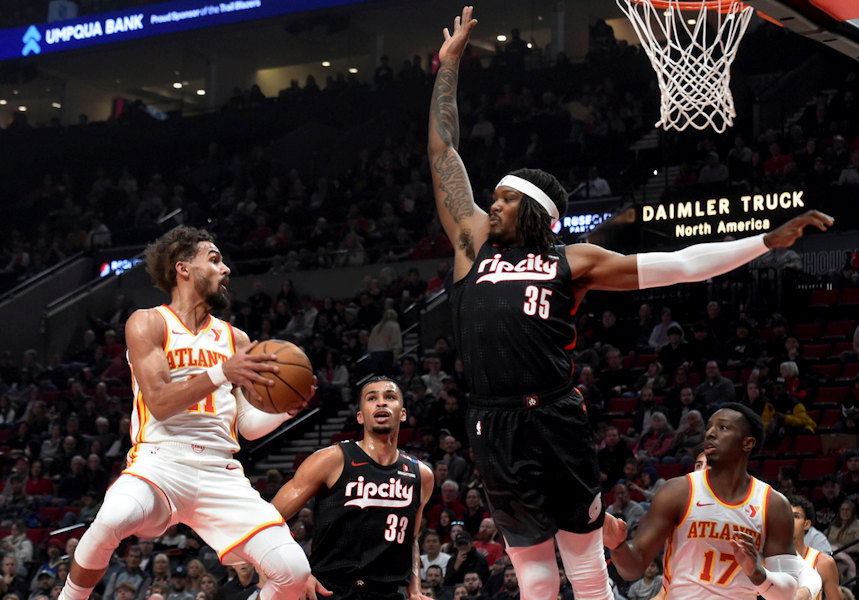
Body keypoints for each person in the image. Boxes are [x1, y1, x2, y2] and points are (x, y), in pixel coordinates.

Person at [429, 8, 833, 600]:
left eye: (504, 200)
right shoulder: (472, 245)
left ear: (535, 212)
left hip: (557, 416)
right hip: (493, 418)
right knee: (534, 575)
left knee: (586, 563)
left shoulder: (578, 261)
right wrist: (450, 64)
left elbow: (684, 263)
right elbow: (442, 152)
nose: (491, 207)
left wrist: (764, 241)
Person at [57, 226, 311, 600]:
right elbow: (158, 401)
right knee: (111, 518)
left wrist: (286, 411)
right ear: (183, 268)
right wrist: (222, 371)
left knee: (294, 572)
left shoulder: (236, 340)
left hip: (220, 471)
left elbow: (246, 426)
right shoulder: (149, 322)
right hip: (160, 462)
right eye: (214, 259)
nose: (225, 270)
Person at [607, 403, 819, 600]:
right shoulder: (678, 491)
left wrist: (758, 574)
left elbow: (787, 593)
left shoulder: (773, 504)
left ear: (748, 443)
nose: (710, 433)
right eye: (709, 427)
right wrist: (617, 546)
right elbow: (633, 568)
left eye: (723, 427)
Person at [272, 376, 434, 600]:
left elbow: (412, 539)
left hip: (387, 593)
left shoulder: (421, 475)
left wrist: (415, 589)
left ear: (403, 413)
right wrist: (299, 572)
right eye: (371, 398)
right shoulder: (332, 459)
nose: (381, 403)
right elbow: (271, 518)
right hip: (329, 589)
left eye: (390, 397)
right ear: (360, 416)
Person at [788, 496, 842, 600]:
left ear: (806, 524)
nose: (789, 520)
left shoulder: (823, 562)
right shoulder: (768, 557)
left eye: (795, 516)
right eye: (786, 515)